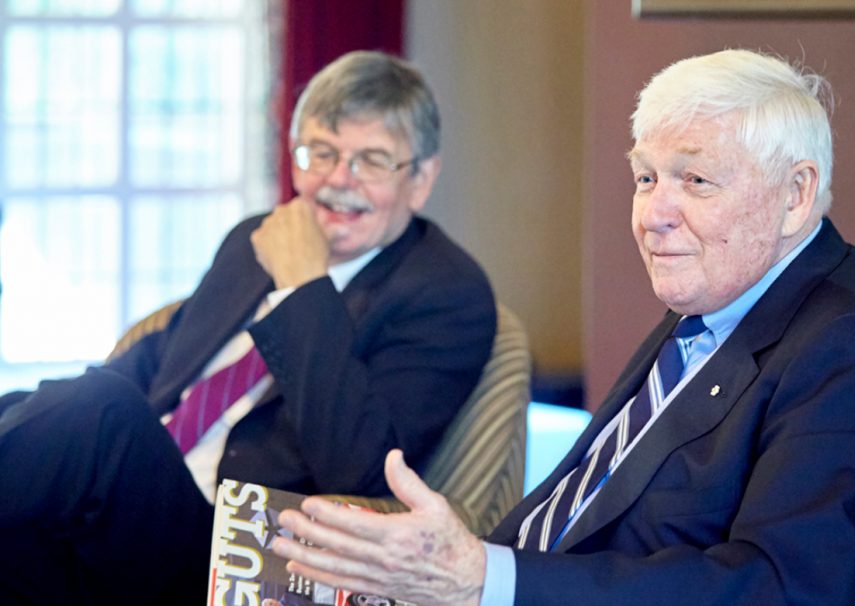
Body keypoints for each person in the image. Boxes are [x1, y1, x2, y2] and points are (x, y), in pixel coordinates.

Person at [269, 49, 855, 606]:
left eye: (696, 181)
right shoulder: (717, 302)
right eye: (646, 177)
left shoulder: (851, 352)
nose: (654, 212)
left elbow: (782, 590)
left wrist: (486, 580)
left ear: (795, 195)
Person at [0, 51, 495, 605]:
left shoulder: (445, 295)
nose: (337, 180)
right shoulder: (254, 239)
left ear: (421, 178)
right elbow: (160, 362)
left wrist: (303, 287)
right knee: (38, 424)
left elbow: (363, 469)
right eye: (321, 153)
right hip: (132, 514)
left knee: (100, 413)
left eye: (371, 161)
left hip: (244, 556)